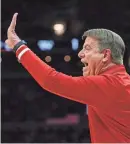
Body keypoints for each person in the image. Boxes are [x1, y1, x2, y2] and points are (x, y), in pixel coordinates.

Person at [5, 13, 130, 143]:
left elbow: (51, 80)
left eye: (87, 48)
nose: (80, 54)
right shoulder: (122, 82)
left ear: (105, 55)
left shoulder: (108, 84)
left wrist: (18, 46)